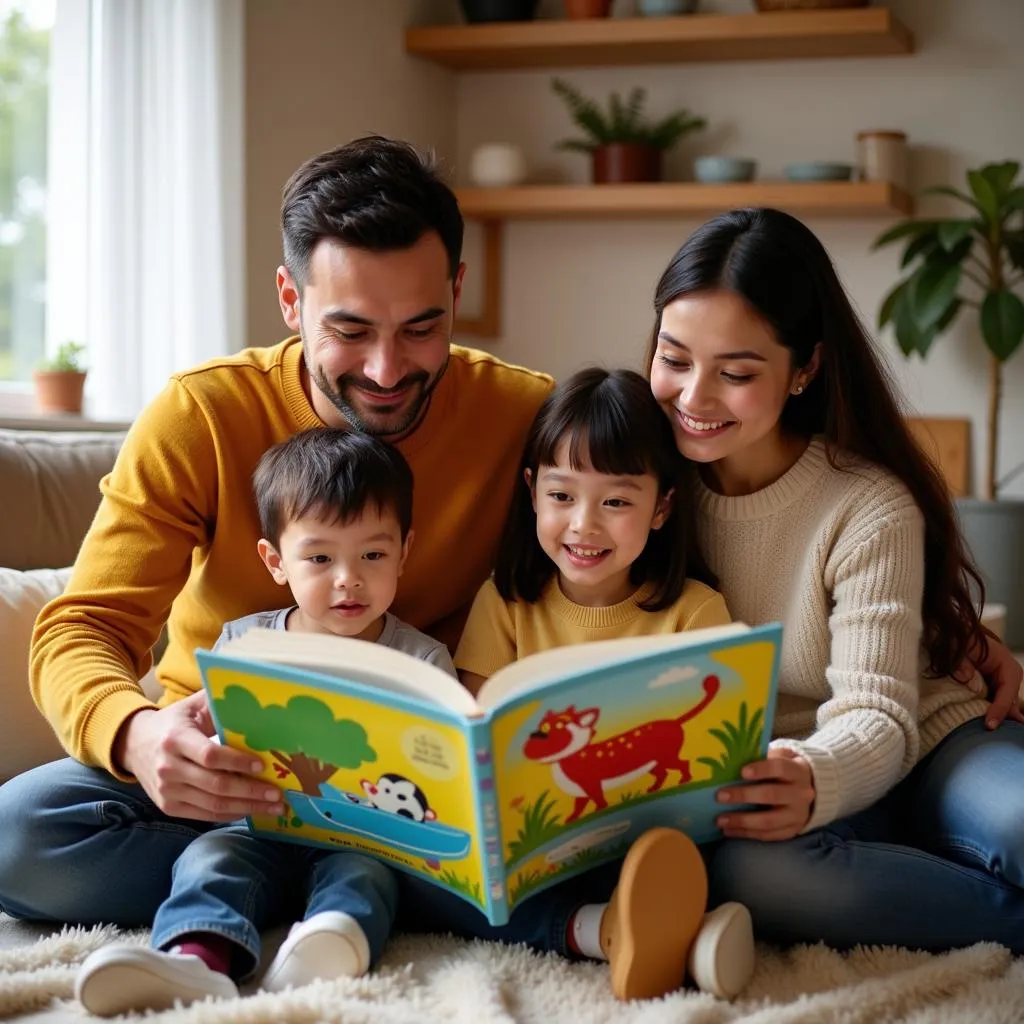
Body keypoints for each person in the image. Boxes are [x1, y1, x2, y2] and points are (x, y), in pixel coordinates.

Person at [0, 137, 551, 934]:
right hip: (220, 776)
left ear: (457, 291)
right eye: (351, 330)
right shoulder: (201, 415)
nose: (389, 369)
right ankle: (354, 895)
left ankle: (298, 888)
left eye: (421, 327)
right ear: (291, 301)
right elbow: (83, 627)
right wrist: (139, 734)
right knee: (18, 836)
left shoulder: (526, 417)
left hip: (412, 789)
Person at [643, 206, 1024, 953]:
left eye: (737, 372)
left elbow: (880, 712)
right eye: (675, 357)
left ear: (805, 369)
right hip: (779, 793)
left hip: (926, 740)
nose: (693, 397)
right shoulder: (640, 484)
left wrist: (816, 775)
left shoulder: (866, 502)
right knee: (760, 877)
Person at [76, 427, 460, 1016]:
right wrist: (185, 733)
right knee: (207, 859)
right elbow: (209, 729)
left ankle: (332, 941)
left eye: (373, 555)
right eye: (320, 558)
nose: (347, 579)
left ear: (405, 552)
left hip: (366, 840)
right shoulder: (244, 642)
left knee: (364, 878)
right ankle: (195, 959)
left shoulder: (424, 661)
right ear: (276, 561)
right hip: (254, 826)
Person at [450, 366, 756, 1001]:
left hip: (658, 842)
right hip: (538, 858)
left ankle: (666, 922)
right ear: (532, 492)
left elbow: (718, 754)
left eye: (616, 501)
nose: (584, 525)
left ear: (663, 506)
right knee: (429, 886)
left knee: (742, 867)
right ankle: (606, 933)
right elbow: (474, 728)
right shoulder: (505, 602)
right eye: (562, 496)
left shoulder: (694, 612)